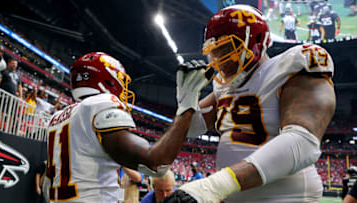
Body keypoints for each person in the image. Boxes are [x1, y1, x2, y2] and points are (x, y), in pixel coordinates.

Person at [163, 4, 335, 203]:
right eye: (215, 52)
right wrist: (186, 100)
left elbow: (303, 142)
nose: (220, 60)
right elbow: (192, 128)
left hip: (287, 198)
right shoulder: (223, 87)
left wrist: (213, 186)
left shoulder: (290, 66)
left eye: (227, 48)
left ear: (258, 40)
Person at [42, 52, 212, 202]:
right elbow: (155, 163)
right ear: (108, 79)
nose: (123, 88)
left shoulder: (58, 118)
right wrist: (186, 107)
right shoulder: (101, 103)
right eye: (121, 81)